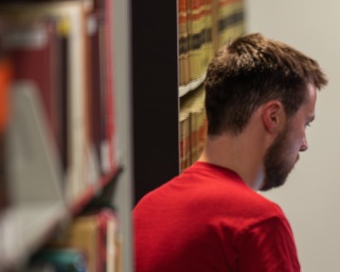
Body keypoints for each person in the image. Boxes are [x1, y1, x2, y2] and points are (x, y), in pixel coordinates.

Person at [134, 33, 327, 272]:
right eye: (305, 124)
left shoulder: (146, 210)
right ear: (273, 117)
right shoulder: (257, 224)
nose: (304, 144)